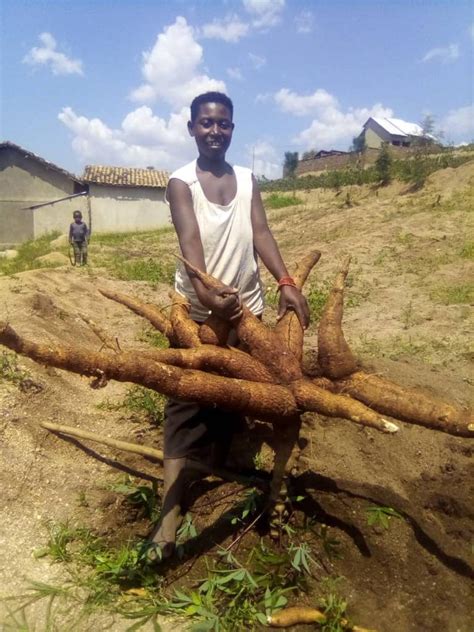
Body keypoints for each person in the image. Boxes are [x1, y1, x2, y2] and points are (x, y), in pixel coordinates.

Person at [148, 91, 309, 560]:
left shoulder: (246, 179)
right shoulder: (182, 183)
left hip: (246, 308)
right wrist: (205, 293)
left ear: (232, 129)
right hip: (199, 315)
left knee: (235, 386)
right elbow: (190, 238)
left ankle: (218, 457)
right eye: (205, 123)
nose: (214, 131)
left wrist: (285, 280)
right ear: (191, 128)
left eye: (223, 124)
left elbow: (260, 232)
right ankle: (170, 512)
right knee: (185, 398)